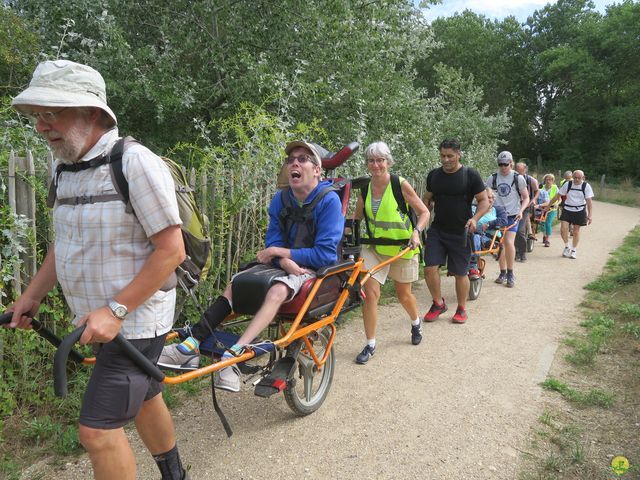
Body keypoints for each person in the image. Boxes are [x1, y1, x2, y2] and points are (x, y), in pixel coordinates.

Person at [7, 60, 189, 479]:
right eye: (37, 116)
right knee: (144, 396)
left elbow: (171, 250)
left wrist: (116, 311)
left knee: (95, 431)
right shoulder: (64, 168)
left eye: (51, 114)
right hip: (98, 321)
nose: (41, 127)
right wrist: (32, 295)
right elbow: (64, 242)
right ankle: (175, 474)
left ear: (92, 113)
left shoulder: (135, 162)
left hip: (136, 320)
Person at [158, 140, 344, 390]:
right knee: (236, 284)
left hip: (311, 268)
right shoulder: (282, 199)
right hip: (282, 263)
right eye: (291, 160)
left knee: (277, 290)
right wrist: (281, 259)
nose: (294, 163)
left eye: (303, 159)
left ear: (318, 171)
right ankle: (192, 343)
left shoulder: (329, 202)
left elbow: (325, 254)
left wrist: (282, 255)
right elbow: (272, 242)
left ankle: (233, 357)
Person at [352, 142, 429, 364]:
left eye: (380, 160)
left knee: (403, 295)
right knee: (370, 295)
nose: (375, 165)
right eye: (371, 160)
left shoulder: (399, 184)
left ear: (388, 162)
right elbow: (355, 220)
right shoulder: (365, 188)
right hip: (375, 248)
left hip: (403, 248)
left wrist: (416, 232)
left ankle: (416, 323)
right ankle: (370, 344)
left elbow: (424, 213)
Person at [422, 139, 489, 324]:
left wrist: (474, 219)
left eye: (450, 156)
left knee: (460, 273)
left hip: (462, 231)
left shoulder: (470, 175)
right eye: (442, 156)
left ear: (459, 154)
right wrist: (425, 209)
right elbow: (427, 197)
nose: (446, 160)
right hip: (438, 229)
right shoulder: (434, 175)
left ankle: (461, 308)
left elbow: (484, 201)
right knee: (429, 268)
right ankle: (438, 304)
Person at [486, 151, 529, 288]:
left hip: (512, 215)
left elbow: (526, 197)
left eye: (506, 164)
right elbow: (487, 197)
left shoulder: (518, 178)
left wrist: (521, 211)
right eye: (501, 164)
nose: (503, 167)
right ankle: (502, 272)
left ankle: (510, 273)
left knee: (509, 242)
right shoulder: (492, 178)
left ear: (511, 163)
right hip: (497, 216)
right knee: (500, 245)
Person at [547, 169, 594, 259]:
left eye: (579, 178)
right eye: (575, 177)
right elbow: (558, 195)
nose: (576, 180)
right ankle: (567, 246)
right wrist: (549, 205)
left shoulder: (586, 186)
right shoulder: (568, 184)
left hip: (579, 210)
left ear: (583, 178)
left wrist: (590, 215)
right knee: (563, 229)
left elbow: (589, 202)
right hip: (567, 209)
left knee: (576, 231)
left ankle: (574, 249)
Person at [467, 187, 508, 279]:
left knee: (476, 237)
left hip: (490, 237)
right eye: (485, 197)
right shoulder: (472, 208)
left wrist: (488, 225)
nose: (488, 200)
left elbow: (504, 221)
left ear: (494, 199)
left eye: (490, 197)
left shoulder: (497, 210)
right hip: (471, 234)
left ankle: (472, 266)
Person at [514, 162, 539, 262]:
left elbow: (537, 191)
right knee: (512, 231)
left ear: (525, 170)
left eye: (521, 171)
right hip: (513, 207)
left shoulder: (531, 180)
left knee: (520, 230)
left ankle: (522, 253)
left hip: (525, 207)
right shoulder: (512, 178)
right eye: (517, 170)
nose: (519, 173)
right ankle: (515, 251)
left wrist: (533, 200)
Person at [538, 174, 559, 246]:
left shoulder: (555, 188)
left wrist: (558, 204)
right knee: (542, 223)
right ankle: (544, 235)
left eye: (550, 179)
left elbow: (560, 199)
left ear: (553, 181)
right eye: (547, 179)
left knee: (548, 223)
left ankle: (547, 240)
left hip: (552, 209)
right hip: (543, 209)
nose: (548, 181)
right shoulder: (541, 188)